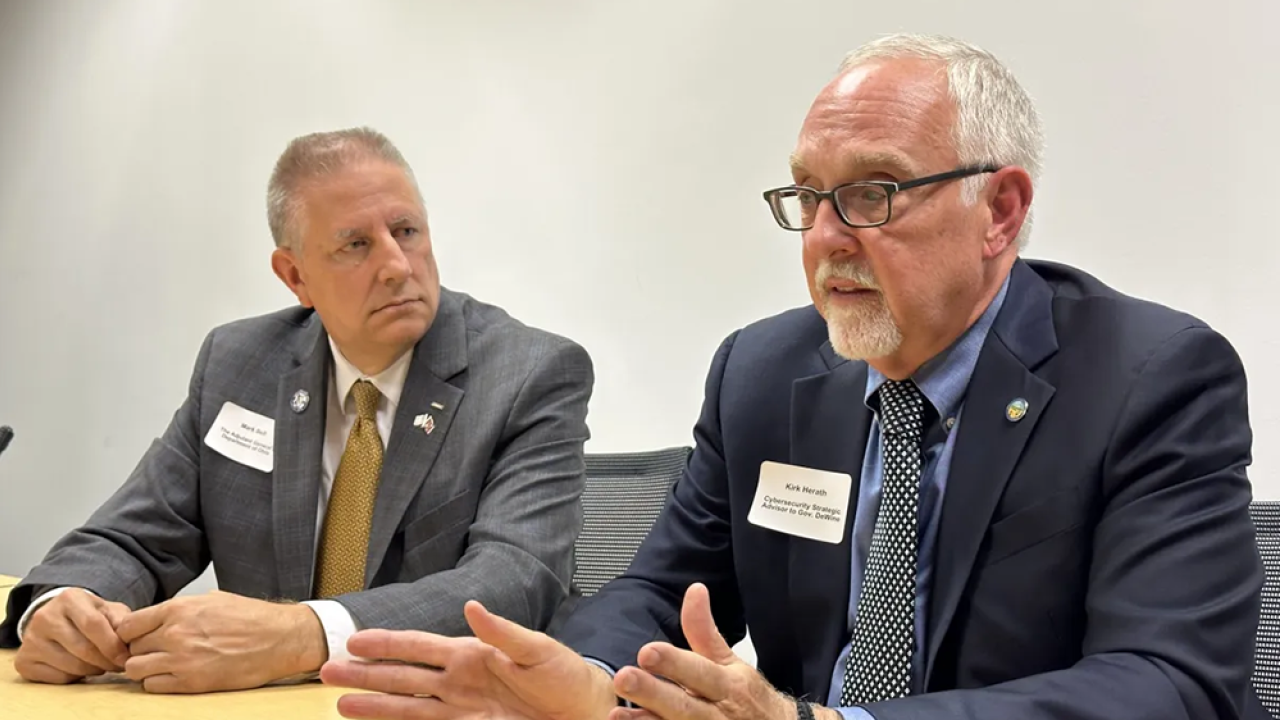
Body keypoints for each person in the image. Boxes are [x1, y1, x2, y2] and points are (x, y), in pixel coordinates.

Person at [318, 34, 1270, 720]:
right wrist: (586, 680)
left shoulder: (1149, 379)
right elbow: (660, 588)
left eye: (871, 194)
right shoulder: (763, 373)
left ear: (1000, 212)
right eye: (808, 197)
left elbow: (1170, 682)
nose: (823, 239)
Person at [0, 127, 595, 694]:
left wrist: (304, 634)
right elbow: (135, 535)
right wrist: (64, 605)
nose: (396, 265)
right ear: (295, 276)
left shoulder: (529, 374)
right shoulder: (240, 365)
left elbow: (512, 582)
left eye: (407, 231)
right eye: (356, 245)